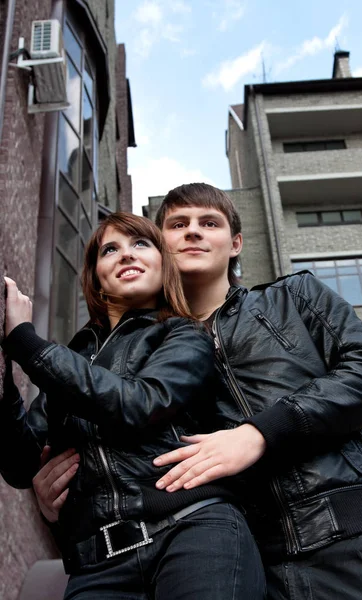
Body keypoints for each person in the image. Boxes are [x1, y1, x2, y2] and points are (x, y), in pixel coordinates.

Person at [32, 184, 362, 599]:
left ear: (236, 243)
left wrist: (258, 433)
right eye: (177, 224)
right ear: (157, 245)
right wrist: (56, 508)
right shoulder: (137, 353)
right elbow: (116, 461)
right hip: (242, 559)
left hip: (352, 539)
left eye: (209, 223)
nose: (192, 232)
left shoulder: (294, 296)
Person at [0, 212, 266, 600]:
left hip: (191, 532)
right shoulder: (75, 358)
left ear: (163, 264)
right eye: (111, 249)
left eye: (141, 244)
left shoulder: (184, 333)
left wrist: (26, 341)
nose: (126, 255)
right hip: (97, 565)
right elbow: (22, 467)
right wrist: (4, 386)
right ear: (95, 276)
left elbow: (140, 403)